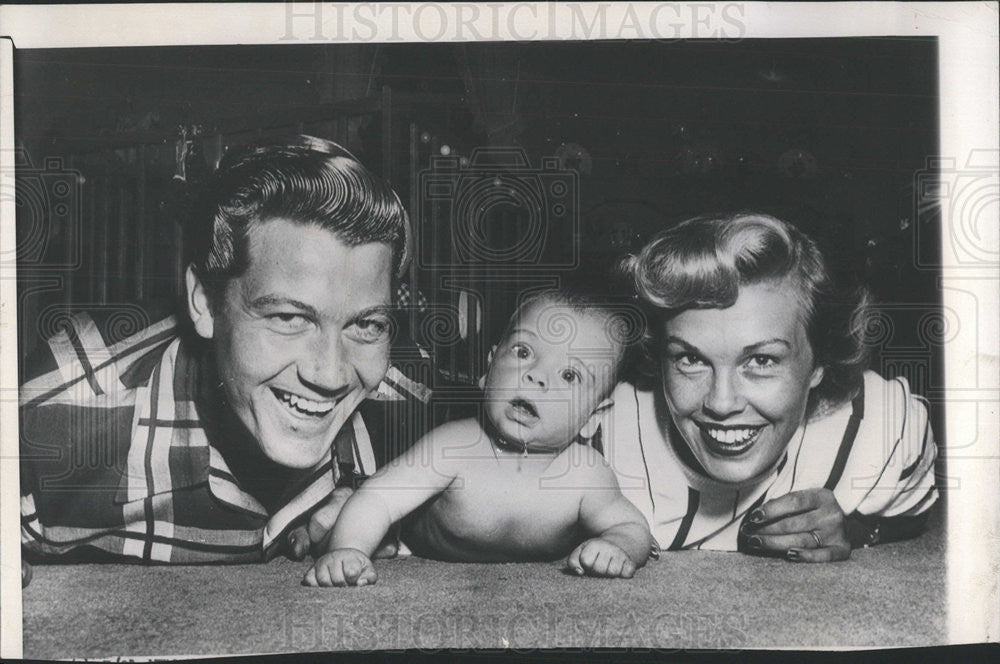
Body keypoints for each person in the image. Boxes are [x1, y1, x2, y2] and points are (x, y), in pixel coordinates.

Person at [19, 137, 431, 579]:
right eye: (289, 317)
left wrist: (385, 511)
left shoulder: (414, 416)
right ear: (204, 303)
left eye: (367, 326)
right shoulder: (60, 407)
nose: (330, 373)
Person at [600, 212, 938, 563]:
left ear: (819, 363)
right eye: (690, 359)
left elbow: (914, 510)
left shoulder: (881, 428)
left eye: (761, 361)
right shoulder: (603, 434)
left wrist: (856, 529)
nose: (722, 402)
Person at [303, 288, 654, 587]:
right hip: (410, 543)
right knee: (343, 517)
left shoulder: (585, 473)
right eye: (523, 352)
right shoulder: (454, 446)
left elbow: (630, 525)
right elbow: (378, 499)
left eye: (569, 374)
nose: (536, 377)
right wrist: (349, 550)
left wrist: (617, 547)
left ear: (593, 417)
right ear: (488, 369)